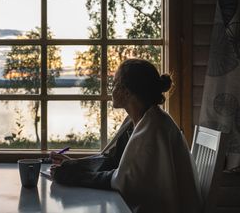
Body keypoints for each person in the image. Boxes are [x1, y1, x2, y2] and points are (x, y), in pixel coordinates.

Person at [49, 59, 202, 213]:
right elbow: (114, 160)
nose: (111, 89)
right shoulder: (137, 120)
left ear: (126, 92)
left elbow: (123, 181)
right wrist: (76, 165)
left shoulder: (153, 129)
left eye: (114, 83)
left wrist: (72, 176)